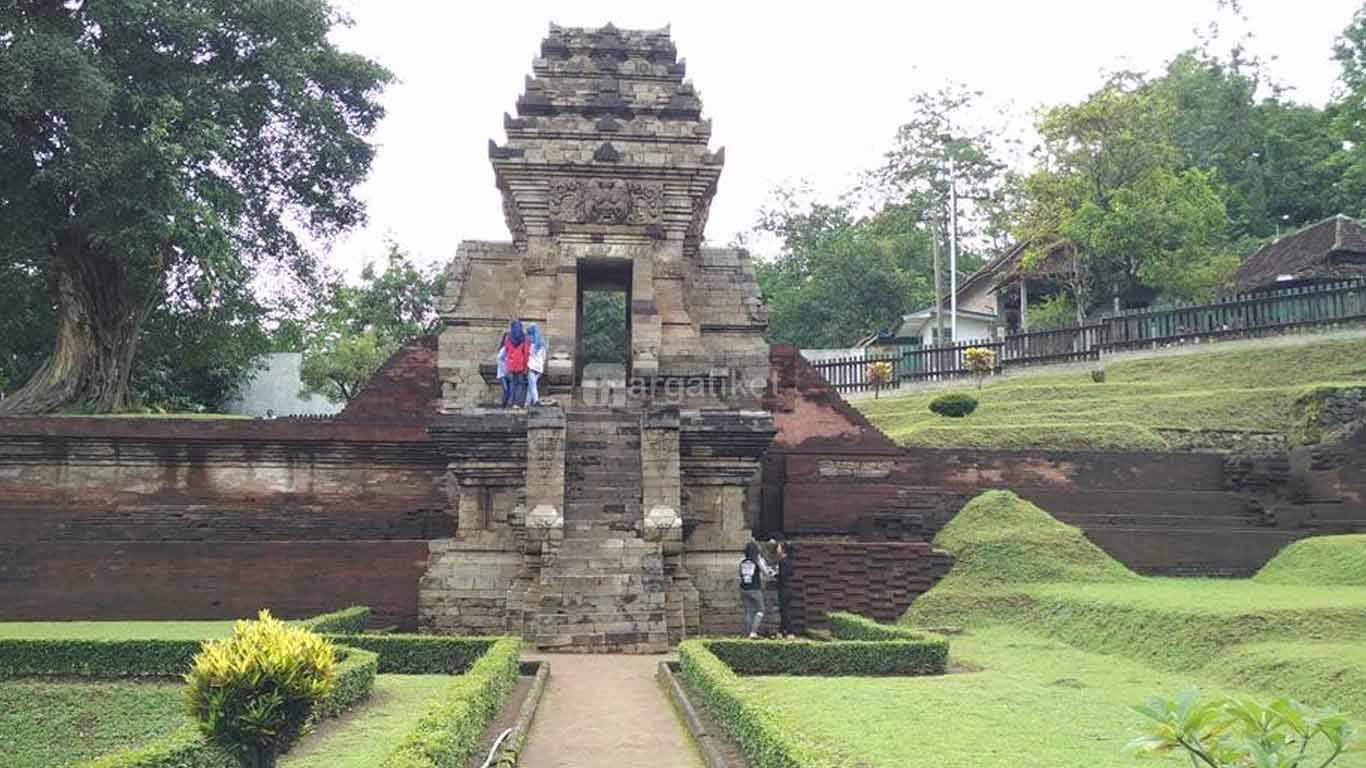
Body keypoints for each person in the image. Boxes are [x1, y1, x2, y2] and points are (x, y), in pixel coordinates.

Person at [738, 541, 766, 639]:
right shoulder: (758, 560)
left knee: (748, 611)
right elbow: (765, 572)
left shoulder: (742, 560)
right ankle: (753, 632)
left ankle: (748, 632)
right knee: (760, 610)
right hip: (755, 589)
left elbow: (739, 573)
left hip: (744, 588)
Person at [503, 320, 530, 408]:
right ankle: (517, 403)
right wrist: (526, 366)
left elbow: (506, 351)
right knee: (520, 384)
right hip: (520, 365)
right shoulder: (525, 338)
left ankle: (510, 402)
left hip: (510, 365)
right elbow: (526, 353)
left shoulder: (508, 338)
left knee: (512, 384)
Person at [775, 541, 797, 639]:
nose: (777, 549)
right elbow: (791, 574)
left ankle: (790, 632)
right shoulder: (790, 561)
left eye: (779, 547)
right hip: (789, 588)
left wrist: (775, 575)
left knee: (784, 611)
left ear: (783, 550)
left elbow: (782, 576)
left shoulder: (782, 562)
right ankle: (780, 631)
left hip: (783, 588)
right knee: (784, 610)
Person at [525, 323, 546, 407]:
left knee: (532, 386)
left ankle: (536, 400)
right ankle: (526, 403)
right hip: (539, 368)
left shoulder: (531, 345)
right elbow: (544, 358)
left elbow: (527, 355)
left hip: (531, 367)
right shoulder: (542, 345)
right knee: (531, 386)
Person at [496, 333, 511, 408]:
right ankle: (503, 406)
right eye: (507, 338)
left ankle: (505, 406)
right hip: (502, 374)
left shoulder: (510, 348)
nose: (508, 339)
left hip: (508, 373)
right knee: (506, 390)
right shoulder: (504, 348)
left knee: (509, 390)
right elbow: (499, 360)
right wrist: (505, 370)